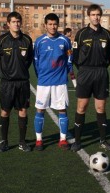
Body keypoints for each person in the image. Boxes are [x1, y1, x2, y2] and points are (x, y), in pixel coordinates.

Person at [70, 4, 110, 152]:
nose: (96, 17)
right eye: (93, 14)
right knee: (81, 107)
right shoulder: (81, 34)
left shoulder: (106, 34)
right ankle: (77, 141)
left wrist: (101, 67)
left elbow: (109, 56)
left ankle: (103, 140)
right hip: (85, 73)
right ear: (88, 16)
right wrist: (83, 69)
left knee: (101, 107)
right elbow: (75, 56)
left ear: (100, 16)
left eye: (98, 14)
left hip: (101, 73)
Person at [0, 11, 33, 153]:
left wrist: (20, 72)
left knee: (22, 111)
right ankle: (3, 141)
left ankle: (22, 142)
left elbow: (29, 60)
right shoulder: (1, 40)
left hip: (22, 82)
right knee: (5, 111)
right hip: (7, 83)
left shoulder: (27, 40)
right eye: (14, 22)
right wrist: (6, 74)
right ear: (8, 24)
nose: (16, 24)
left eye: (18, 21)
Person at [33, 13, 73, 151]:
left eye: (55, 24)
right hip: (44, 82)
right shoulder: (39, 41)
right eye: (50, 24)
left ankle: (62, 139)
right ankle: (39, 140)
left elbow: (69, 59)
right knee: (40, 109)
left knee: (62, 110)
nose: (52, 26)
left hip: (60, 82)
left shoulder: (64, 40)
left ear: (58, 24)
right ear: (45, 25)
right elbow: (36, 61)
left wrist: (67, 74)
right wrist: (41, 76)